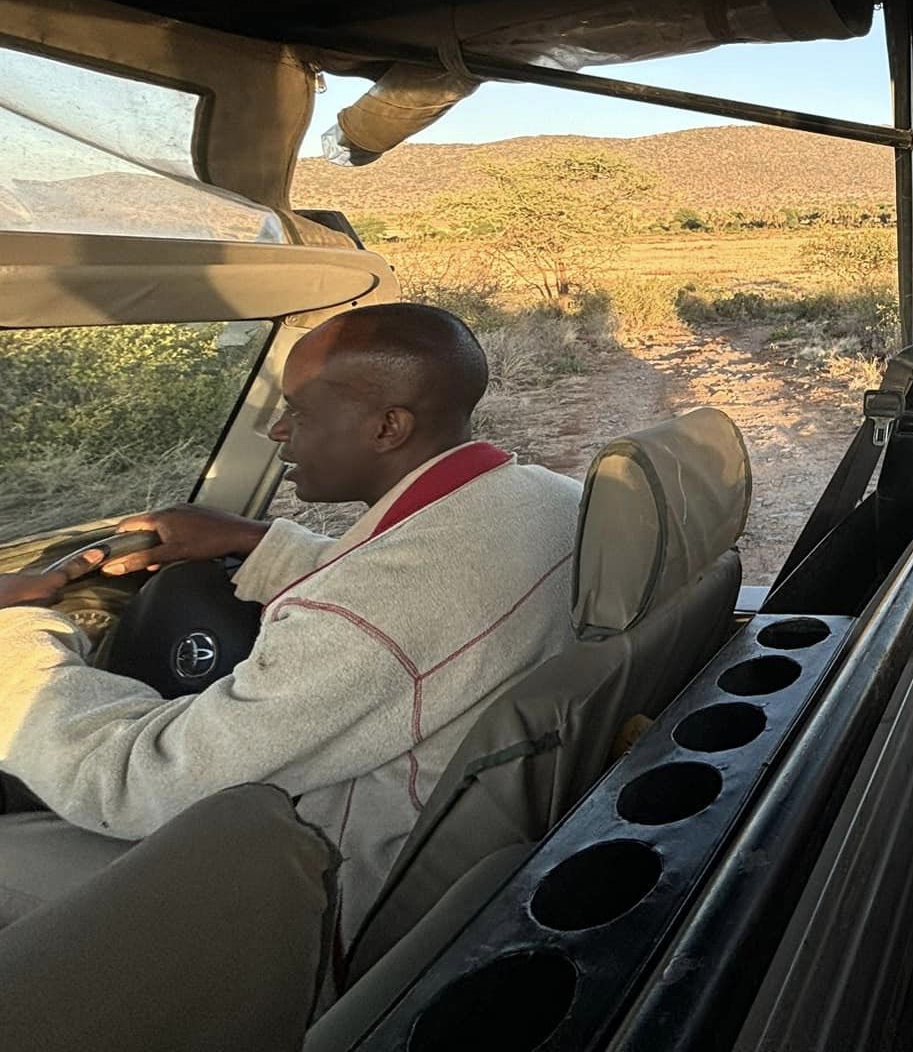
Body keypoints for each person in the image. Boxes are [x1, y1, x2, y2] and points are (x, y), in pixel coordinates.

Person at [0, 301, 582, 961]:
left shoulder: (364, 615)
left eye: (299, 413)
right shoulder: (546, 500)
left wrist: (14, 634)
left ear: (388, 426)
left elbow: (138, 784)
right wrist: (257, 543)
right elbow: (416, 588)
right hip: (454, 858)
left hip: (324, 911)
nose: (278, 431)